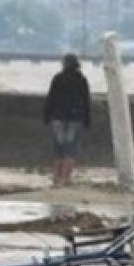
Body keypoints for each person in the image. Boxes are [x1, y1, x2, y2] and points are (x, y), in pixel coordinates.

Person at [43, 53, 91, 186]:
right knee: (71, 149)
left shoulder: (58, 78)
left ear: (64, 64)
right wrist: (87, 119)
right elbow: (86, 101)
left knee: (58, 149)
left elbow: (50, 98)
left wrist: (46, 116)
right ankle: (66, 178)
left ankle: (56, 177)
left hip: (58, 117)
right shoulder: (81, 80)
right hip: (76, 118)